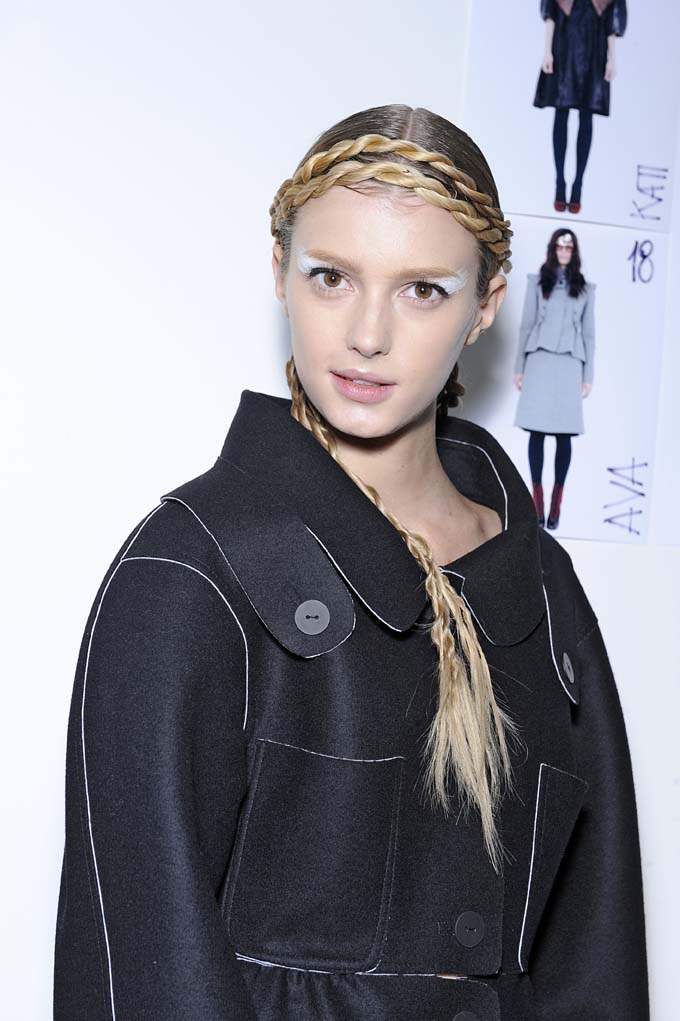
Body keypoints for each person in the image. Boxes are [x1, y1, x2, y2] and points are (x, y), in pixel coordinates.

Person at [53, 104, 649, 1020]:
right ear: (280, 272)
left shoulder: (541, 586)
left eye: (423, 290)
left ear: (488, 304)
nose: (368, 334)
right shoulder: (188, 573)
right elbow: (136, 969)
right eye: (331, 276)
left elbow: (595, 957)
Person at [513, 229, 595, 529]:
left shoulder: (585, 288)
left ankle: (556, 502)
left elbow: (589, 334)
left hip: (570, 363)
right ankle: (537, 501)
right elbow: (526, 325)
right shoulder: (537, 282)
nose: (564, 251)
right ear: (553, 249)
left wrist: (588, 375)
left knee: (564, 434)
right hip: (539, 360)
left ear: (574, 251)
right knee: (536, 431)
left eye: (568, 247)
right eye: (559, 246)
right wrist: (519, 367)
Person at [533, 0, 628, 212]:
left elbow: (612, 21)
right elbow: (550, 13)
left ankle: (578, 184)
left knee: (586, 115)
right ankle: (560, 181)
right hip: (564, 44)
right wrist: (547, 51)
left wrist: (613, 59)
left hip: (594, 48)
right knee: (561, 111)